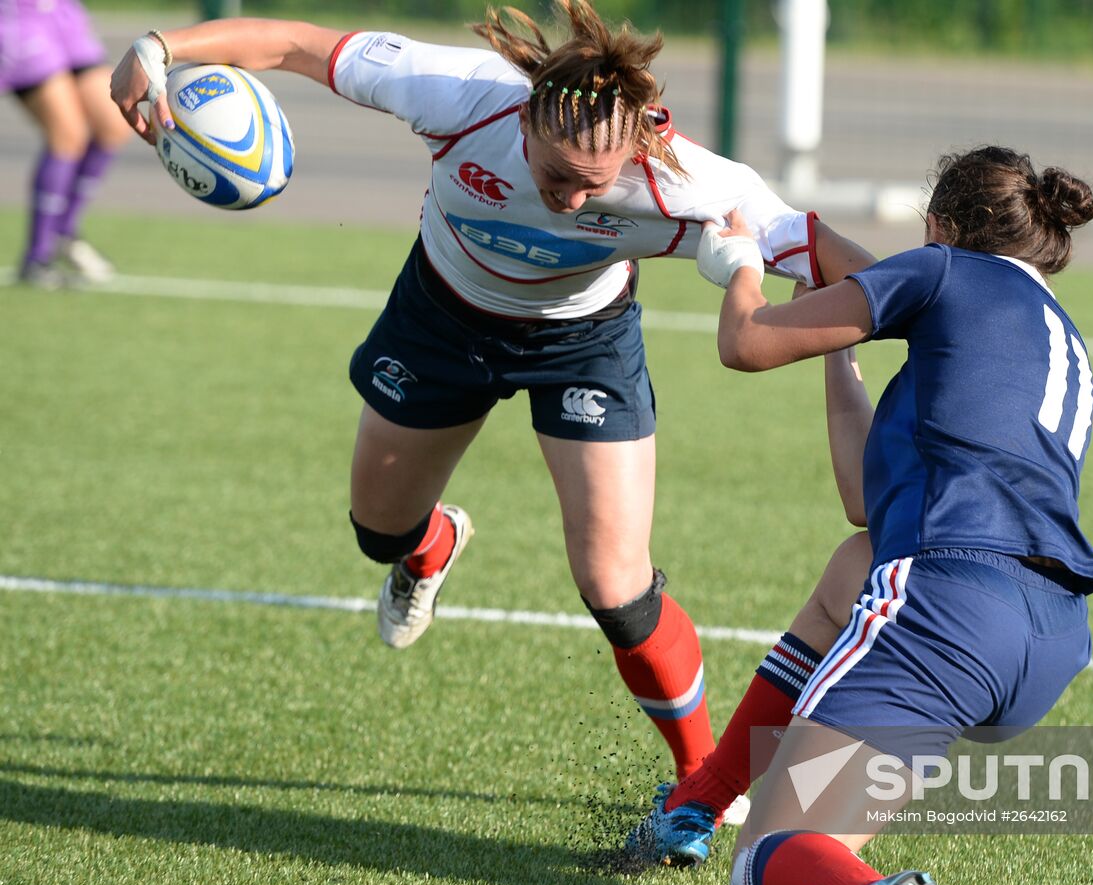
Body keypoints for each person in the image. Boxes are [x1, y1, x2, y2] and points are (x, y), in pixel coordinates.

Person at [108, 0, 875, 802]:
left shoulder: (692, 184)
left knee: (617, 588)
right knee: (378, 531)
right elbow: (299, 44)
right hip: (441, 316)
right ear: (527, 122)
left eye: (593, 188)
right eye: (553, 177)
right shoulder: (462, 94)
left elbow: (818, 247)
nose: (572, 203)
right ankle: (428, 545)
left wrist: (935, 310)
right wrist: (158, 47)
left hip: (583, 342)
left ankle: (700, 777)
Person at [631, 145, 1093, 885]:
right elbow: (866, 501)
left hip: (945, 616)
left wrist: (740, 262)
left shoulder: (941, 272)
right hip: (1043, 639)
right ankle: (705, 794)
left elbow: (746, 342)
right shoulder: (1056, 333)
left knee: (763, 865)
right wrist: (842, 341)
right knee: (853, 569)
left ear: (938, 229)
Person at [3, 0, 128, 287]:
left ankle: (63, 233)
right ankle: (36, 258)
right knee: (68, 134)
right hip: (18, 17)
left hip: (62, 12)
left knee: (113, 123)